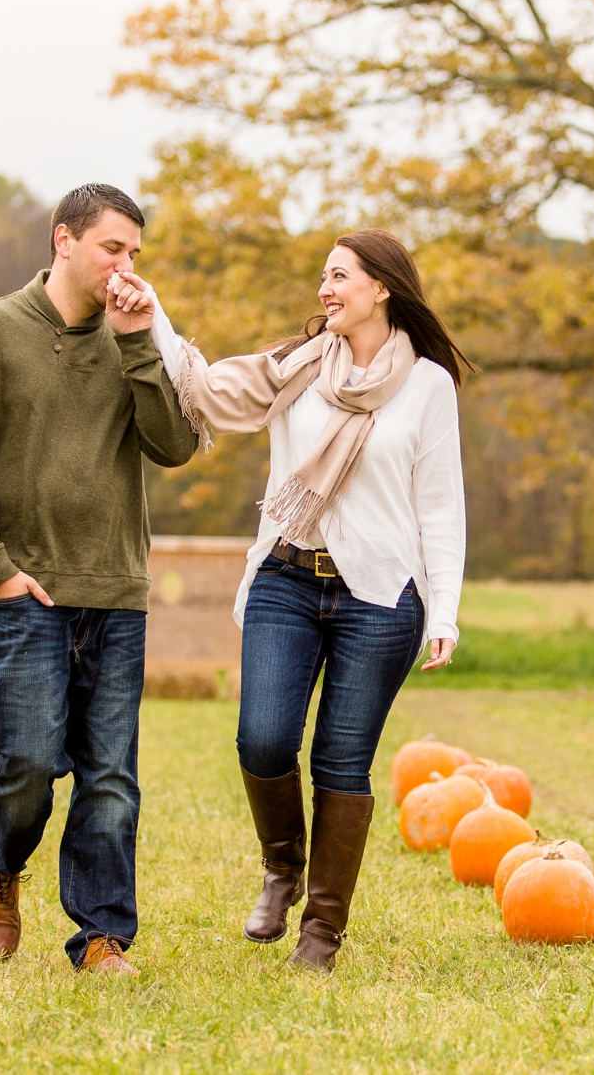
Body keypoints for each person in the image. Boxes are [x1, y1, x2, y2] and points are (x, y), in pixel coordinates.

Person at [152, 228, 468, 971]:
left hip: (381, 596)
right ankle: (281, 867)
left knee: (341, 762)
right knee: (262, 739)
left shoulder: (428, 387)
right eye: (323, 278)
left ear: (380, 288)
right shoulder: (295, 367)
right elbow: (205, 387)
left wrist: (445, 610)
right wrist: (154, 315)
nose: (325, 290)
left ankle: (322, 931)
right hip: (287, 577)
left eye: (339, 277)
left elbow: (441, 507)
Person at [0, 182, 196, 976]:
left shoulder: (136, 338)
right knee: (27, 764)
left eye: (136, 254)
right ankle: (1, 867)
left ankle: (102, 936)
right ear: (64, 242)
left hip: (115, 590)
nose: (126, 266)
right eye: (113, 248)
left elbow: (174, 445)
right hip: (28, 595)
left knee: (111, 778)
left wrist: (140, 343)